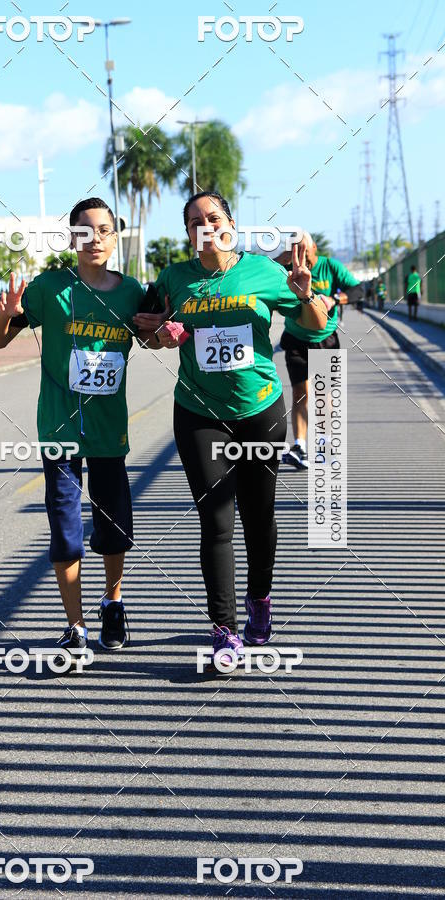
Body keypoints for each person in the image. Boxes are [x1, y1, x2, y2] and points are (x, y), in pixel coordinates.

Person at [133, 192, 330, 664]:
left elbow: (318, 326)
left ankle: (259, 598)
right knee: (215, 520)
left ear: (231, 223)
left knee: (259, 516)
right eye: (195, 221)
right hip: (199, 414)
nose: (206, 225)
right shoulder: (173, 278)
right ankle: (224, 630)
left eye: (214, 217)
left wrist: (303, 293)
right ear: (187, 232)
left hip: (260, 411)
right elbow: (147, 333)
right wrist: (158, 334)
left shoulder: (265, 273)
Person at [0, 198, 145, 657]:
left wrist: (165, 333)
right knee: (65, 527)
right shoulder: (48, 287)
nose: (93, 239)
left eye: (103, 230)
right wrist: (6, 311)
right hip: (58, 427)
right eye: (83, 231)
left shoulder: (132, 291)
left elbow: (154, 336)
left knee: (114, 526)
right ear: (70, 238)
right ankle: (74, 625)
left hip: (108, 429)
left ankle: (112, 602)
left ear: (115, 237)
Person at [275, 234, 360, 470]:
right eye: (295, 250)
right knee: (301, 394)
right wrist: (278, 260)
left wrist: (334, 299)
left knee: (325, 398)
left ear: (314, 247)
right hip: (295, 339)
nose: (301, 256)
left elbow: (357, 290)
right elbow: (259, 276)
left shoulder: (330, 266)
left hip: (325, 340)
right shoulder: (285, 268)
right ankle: (299, 446)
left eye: (304, 250)